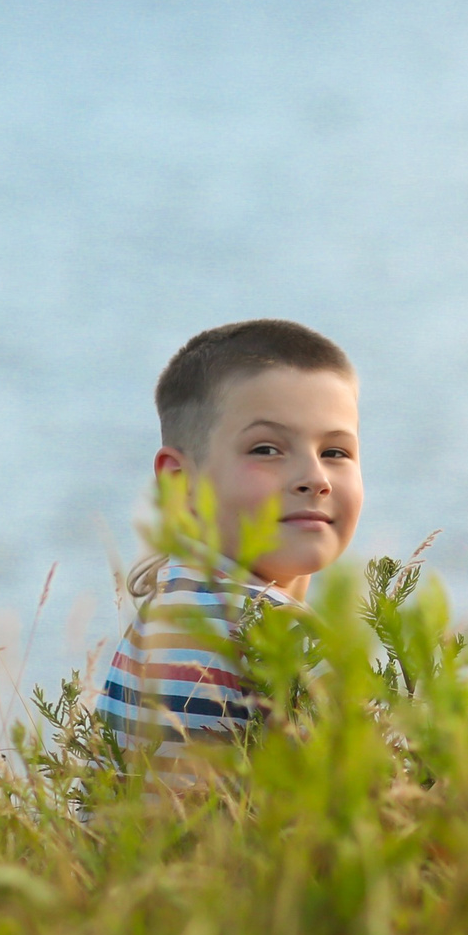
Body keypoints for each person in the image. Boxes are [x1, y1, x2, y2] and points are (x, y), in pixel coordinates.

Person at [96, 318, 363, 782]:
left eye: (335, 452)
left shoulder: (166, 606)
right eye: (266, 449)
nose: (315, 479)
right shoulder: (278, 632)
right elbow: (377, 804)